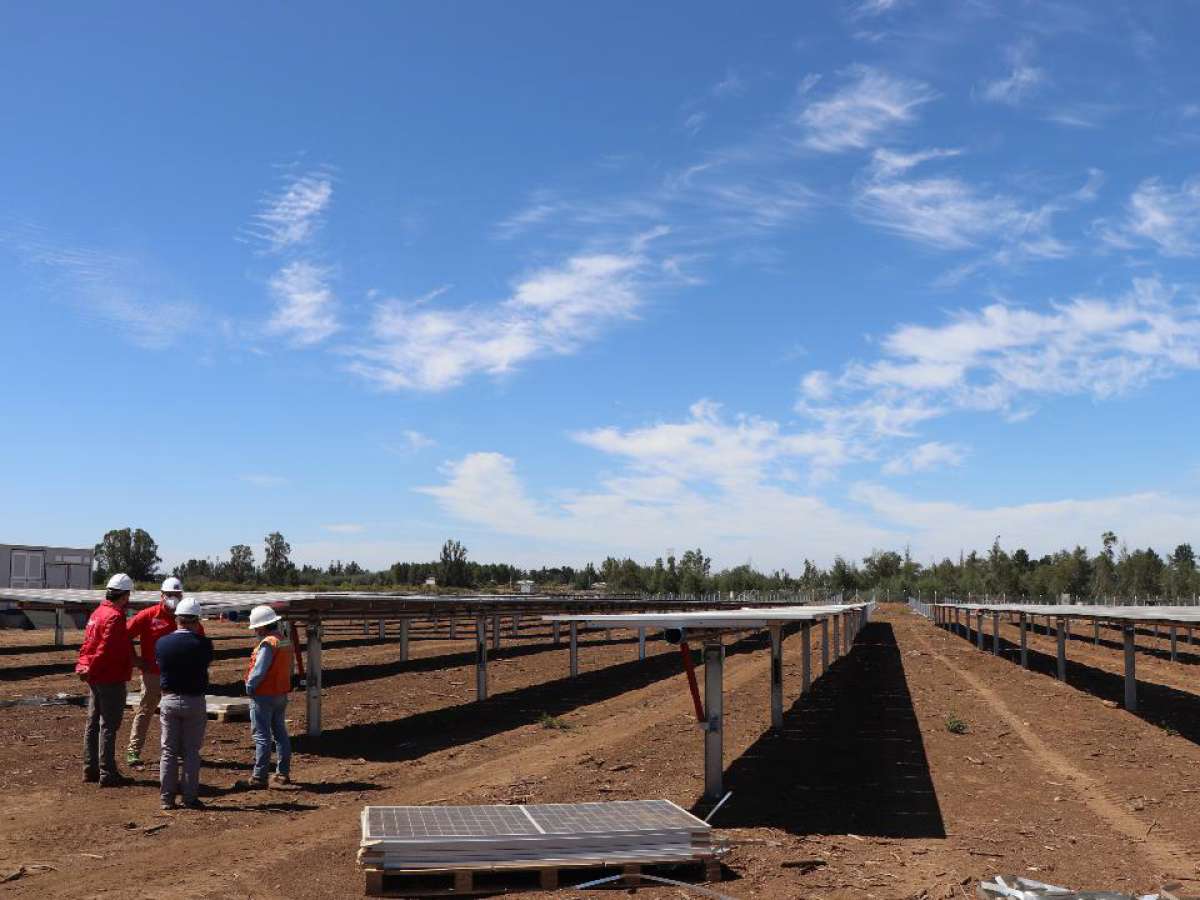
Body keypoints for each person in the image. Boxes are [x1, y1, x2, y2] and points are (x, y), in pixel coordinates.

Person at [126, 576, 204, 767]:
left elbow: (199, 644)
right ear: (161, 595)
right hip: (152, 673)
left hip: (178, 677)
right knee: (146, 710)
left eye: (177, 595)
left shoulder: (188, 619)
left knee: (178, 714)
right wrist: (135, 659)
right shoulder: (148, 615)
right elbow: (124, 634)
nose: (173, 598)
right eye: (169, 595)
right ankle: (133, 750)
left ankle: (179, 751)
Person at [76, 573, 142, 786]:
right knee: (108, 725)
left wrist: (84, 667)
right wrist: (93, 668)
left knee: (93, 722)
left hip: (95, 676)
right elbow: (106, 649)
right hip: (109, 676)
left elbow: (88, 644)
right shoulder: (114, 616)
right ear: (124, 596)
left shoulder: (97, 613)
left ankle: (91, 769)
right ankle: (107, 772)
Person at [155, 597, 214, 810]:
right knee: (191, 751)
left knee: (168, 750)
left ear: (177, 619)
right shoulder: (204, 645)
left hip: (169, 700)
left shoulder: (162, 643)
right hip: (194, 701)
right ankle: (189, 797)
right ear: (196, 620)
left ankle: (166, 798)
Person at [244, 605, 293, 788]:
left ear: (263, 626)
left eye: (256, 627)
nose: (255, 630)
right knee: (280, 733)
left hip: (264, 694)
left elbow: (259, 671)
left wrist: (250, 686)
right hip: (280, 692)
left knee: (262, 736)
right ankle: (282, 774)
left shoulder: (267, 643)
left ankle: (259, 777)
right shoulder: (284, 641)